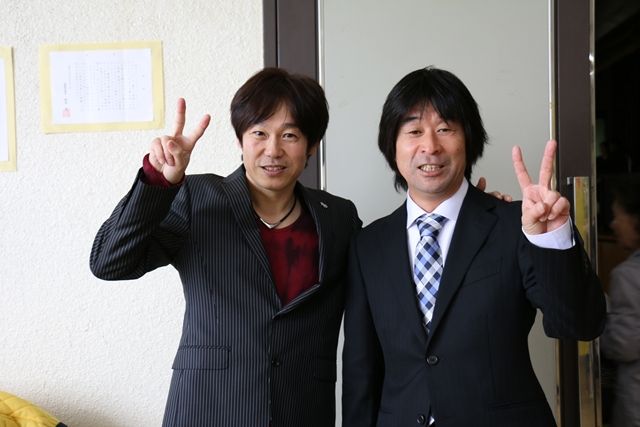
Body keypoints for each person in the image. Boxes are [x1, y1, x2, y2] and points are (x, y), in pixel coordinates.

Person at [90, 68, 362, 427]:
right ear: (240, 139)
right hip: (208, 409)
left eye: (290, 135)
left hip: (302, 410)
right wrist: (158, 180)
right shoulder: (197, 198)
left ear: (311, 145)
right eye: (259, 133)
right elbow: (109, 262)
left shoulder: (339, 217)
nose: (273, 150)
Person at [342, 66, 606, 427]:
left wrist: (552, 237)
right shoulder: (368, 246)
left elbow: (580, 324)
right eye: (414, 131)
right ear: (392, 145)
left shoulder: (517, 226)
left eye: (445, 129)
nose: (430, 146)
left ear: (468, 139)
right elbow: (361, 370)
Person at [600, 176, 640, 427]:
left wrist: (601, 322)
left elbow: (623, 345)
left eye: (618, 216)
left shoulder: (627, 275)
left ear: (635, 220)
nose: (613, 224)